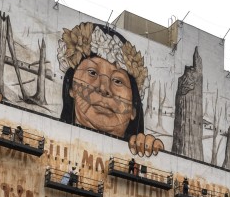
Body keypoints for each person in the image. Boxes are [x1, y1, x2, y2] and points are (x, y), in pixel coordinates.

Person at [58, 21, 164, 157]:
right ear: (71, 89)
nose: (104, 88)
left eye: (118, 81)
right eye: (92, 73)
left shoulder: (141, 156)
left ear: (133, 110)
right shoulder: (50, 137)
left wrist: (153, 157)